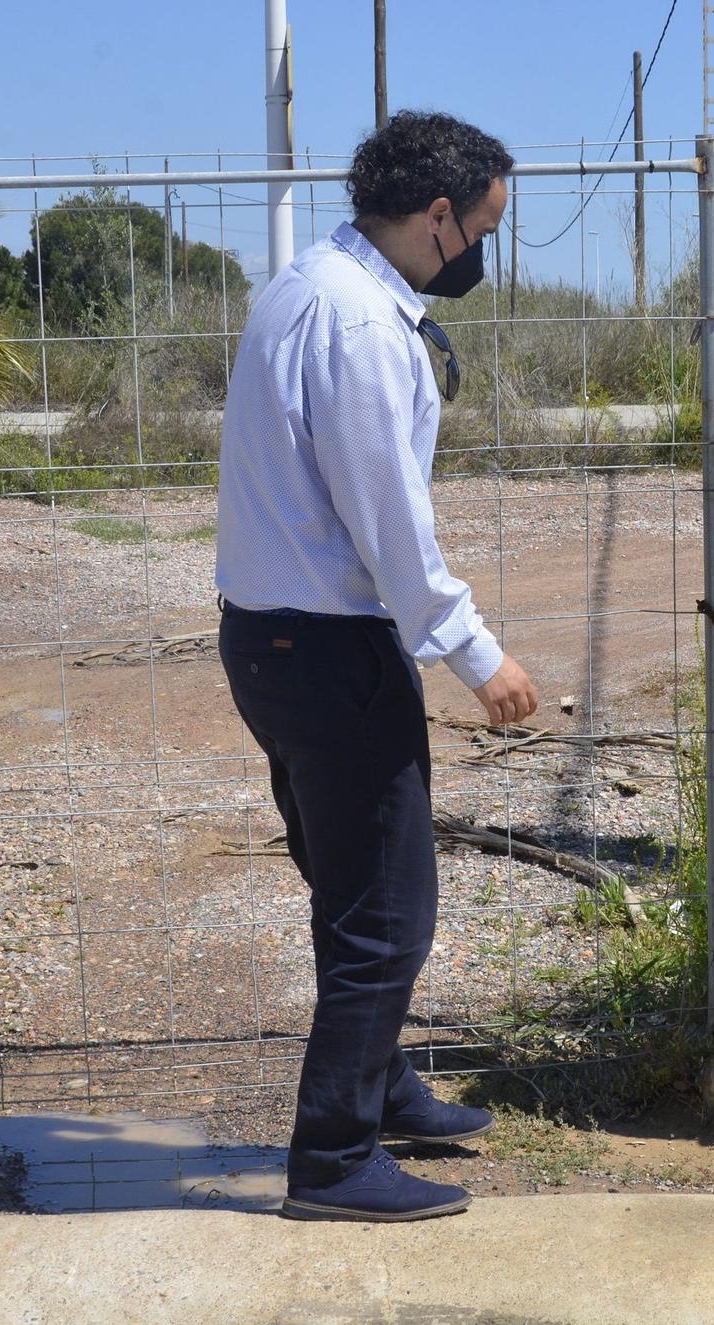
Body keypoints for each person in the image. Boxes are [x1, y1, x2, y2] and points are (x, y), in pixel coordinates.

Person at [214, 110, 539, 1223]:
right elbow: (387, 521)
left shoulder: (305, 281)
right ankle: (334, 1160)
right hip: (331, 646)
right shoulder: (359, 326)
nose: (486, 250)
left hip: (271, 639)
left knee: (350, 889)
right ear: (437, 215)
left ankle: (381, 1083)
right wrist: (475, 652)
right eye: (484, 225)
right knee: (387, 912)